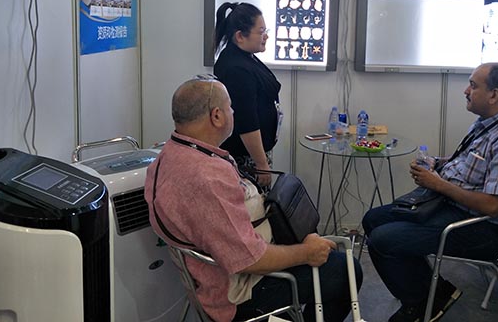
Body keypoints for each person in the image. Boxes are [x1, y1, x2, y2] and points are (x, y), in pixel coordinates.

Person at [145, 77, 362, 322]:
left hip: (236, 258)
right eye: (230, 107)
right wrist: (305, 253)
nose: (233, 112)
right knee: (347, 271)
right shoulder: (207, 178)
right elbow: (250, 259)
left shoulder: (169, 154)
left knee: (324, 248)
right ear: (217, 116)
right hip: (243, 289)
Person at [362, 63, 498, 322]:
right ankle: (434, 291)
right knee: (372, 219)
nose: (465, 91)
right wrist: (437, 163)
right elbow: (474, 162)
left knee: (383, 241)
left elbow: (493, 206)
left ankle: (421, 303)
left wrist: (438, 184)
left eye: (473, 85)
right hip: (452, 205)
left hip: (483, 229)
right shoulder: (490, 123)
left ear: (493, 95)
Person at [214, 2, 280, 190]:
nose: (266, 36)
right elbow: (246, 122)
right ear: (240, 36)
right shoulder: (236, 69)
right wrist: (261, 164)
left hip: (254, 154)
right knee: (252, 204)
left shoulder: (245, 56)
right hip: (246, 159)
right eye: (261, 32)